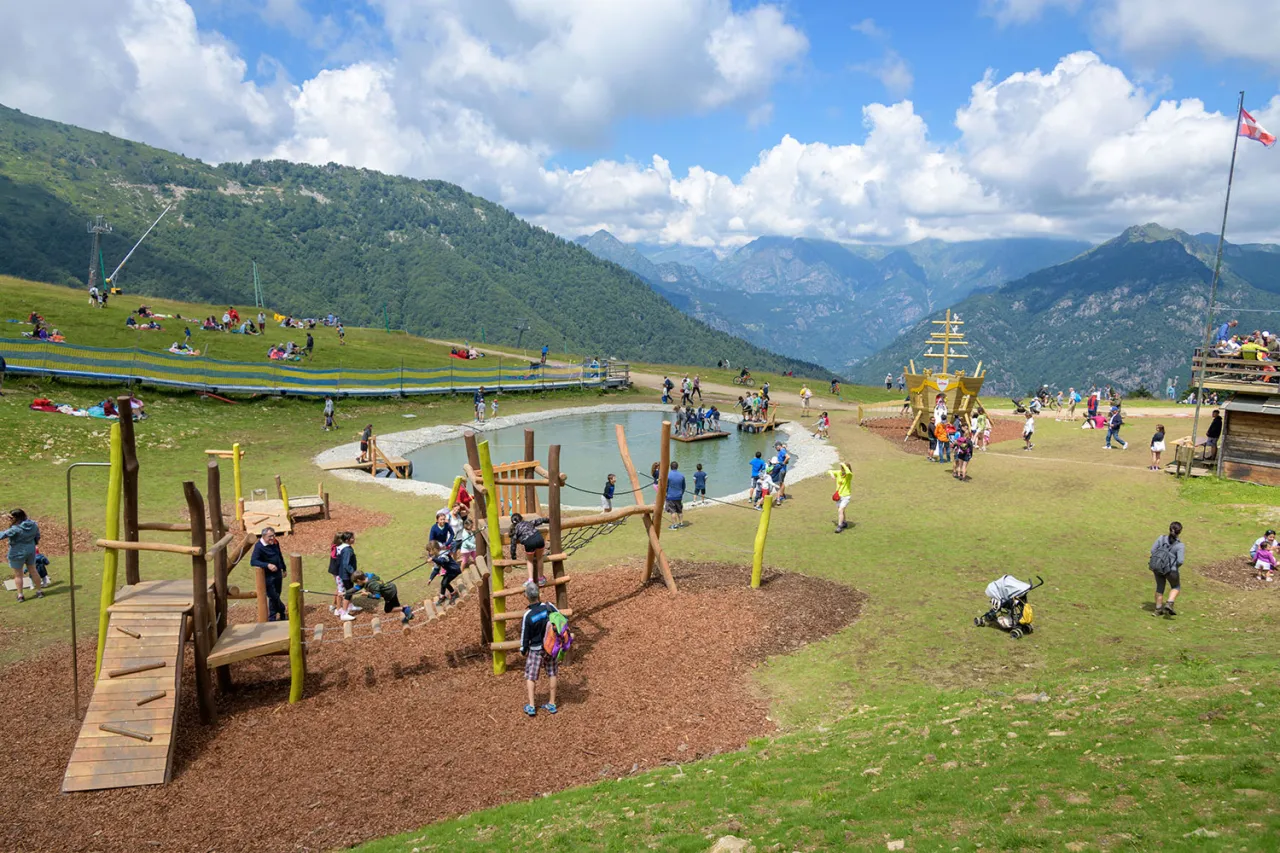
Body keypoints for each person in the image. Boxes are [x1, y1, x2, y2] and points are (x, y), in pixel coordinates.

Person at [520, 581, 560, 717]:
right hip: (551, 646)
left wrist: (523, 649)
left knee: (531, 676)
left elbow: (525, 636)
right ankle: (552, 703)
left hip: (536, 649)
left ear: (526, 596)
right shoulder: (549, 606)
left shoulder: (528, 615)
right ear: (539, 594)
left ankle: (531, 706)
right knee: (552, 672)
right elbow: (560, 619)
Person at [2, 510, 43, 602]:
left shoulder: (15, 529)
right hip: (30, 550)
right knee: (33, 571)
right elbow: (37, 536)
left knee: (18, 575)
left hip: (17, 552)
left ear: (16, 518)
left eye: (11, 518)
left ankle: (20, 595)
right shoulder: (33, 525)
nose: (10, 519)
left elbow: (3, 535)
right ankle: (39, 591)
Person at [250, 527, 288, 622]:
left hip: (278, 573)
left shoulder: (275, 542)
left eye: (274, 535)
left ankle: (273, 617)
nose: (273, 538)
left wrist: (284, 568)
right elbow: (253, 561)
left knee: (277, 595)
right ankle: (282, 609)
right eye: (270, 536)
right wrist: (267, 565)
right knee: (273, 596)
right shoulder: (259, 546)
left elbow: (279, 555)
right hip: (267, 576)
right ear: (263, 536)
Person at [1150, 521, 1185, 616]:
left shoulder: (1161, 538)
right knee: (1176, 587)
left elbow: (1153, 550)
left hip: (1158, 567)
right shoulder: (1180, 545)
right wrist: (1175, 567)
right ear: (1180, 532)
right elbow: (1180, 561)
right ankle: (1170, 603)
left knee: (1160, 588)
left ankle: (1158, 610)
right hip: (1171, 570)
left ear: (1169, 529)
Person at [509, 512, 550, 585]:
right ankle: (541, 578)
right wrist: (549, 520)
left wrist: (513, 556)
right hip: (538, 538)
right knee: (540, 558)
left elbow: (513, 544)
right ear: (522, 518)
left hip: (529, 542)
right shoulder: (528, 523)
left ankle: (530, 580)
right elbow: (540, 520)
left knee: (530, 561)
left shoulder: (515, 530)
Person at [328, 532, 359, 622]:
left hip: (344, 573)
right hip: (346, 574)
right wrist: (353, 573)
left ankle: (348, 608)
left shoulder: (344, 548)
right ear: (347, 540)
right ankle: (344, 613)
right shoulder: (347, 550)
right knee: (348, 592)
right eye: (352, 538)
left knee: (349, 591)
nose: (354, 539)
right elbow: (346, 564)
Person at [428, 541, 462, 606]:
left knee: (444, 583)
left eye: (430, 551)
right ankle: (444, 596)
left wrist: (433, 559)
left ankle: (453, 595)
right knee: (444, 583)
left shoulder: (444, 554)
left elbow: (442, 561)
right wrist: (430, 578)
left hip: (454, 570)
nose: (429, 553)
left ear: (434, 549)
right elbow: (436, 569)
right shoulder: (436, 556)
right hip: (450, 571)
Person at [829, 461, 852, 533]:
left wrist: (843, 465)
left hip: (846, 496)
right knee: (841, 510)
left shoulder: (849, 475)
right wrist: (832, 474)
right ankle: (844, 522)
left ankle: (839, 527)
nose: (842, 469)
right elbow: (829, 470)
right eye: (842, 468)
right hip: (839, 496)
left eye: (844, 468)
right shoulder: (839, 473)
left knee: (840, 510)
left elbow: (848, 472)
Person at [665, 461, 686, 529]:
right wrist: (681, 493)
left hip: (671, 496)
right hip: (679, 496)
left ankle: (675, 525)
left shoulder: (668, 475)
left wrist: (666, 494)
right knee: (679, 510)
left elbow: (666, 486)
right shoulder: (682, 475)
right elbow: (684, 487)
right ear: (677, 467)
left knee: (672, 511)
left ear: (671, 467)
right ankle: (681, 523)